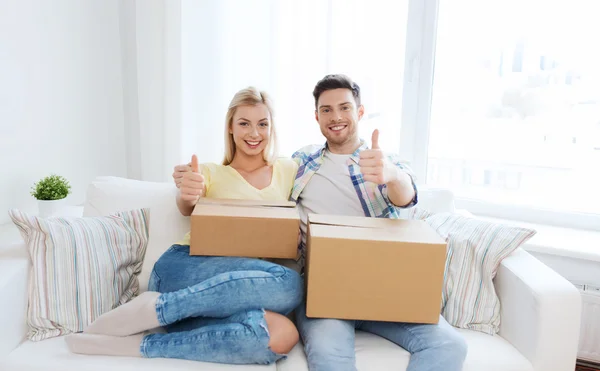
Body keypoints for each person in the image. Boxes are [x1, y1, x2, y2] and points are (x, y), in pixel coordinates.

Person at [66, 87, 304, 365]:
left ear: (272, 127)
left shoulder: (289, 169)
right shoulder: (208, 172)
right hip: (183, 270)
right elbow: (186, 204)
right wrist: (188, 193)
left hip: (218, 300)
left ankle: (143, 342)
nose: (254, 133)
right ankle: (158, 308)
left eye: (263, 124)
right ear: (230, 126)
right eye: (244, 123)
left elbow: (323, 160)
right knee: (289, 284)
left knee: (282, 334)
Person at [290, 74, 468, 371]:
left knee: (450, 344)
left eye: (345, 107)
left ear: (359, 112)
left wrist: (391, 174)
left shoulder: (384, 162)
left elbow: (406, 196)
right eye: (326, 110)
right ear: (317, 116)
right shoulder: (301, 162)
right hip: (324, 290)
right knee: (331, 359)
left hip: (384, 287)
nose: (336, 117)